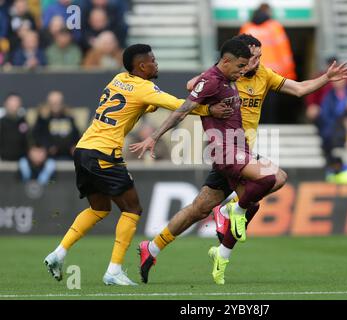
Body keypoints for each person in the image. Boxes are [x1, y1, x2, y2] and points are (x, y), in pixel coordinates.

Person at [133, 36, 347, 286]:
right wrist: (203, 107)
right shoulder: (221, 76)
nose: (255, 62)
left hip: (242, 151)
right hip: (228, 150)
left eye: (259, 57)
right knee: (271, 182)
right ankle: (227, 219)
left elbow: (300, 89)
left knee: (200, 208)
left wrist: (326, 78)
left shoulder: (263, 76)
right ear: (237, 58)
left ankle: (153, 247)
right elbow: (191, 91)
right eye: (250, 58)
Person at [43, 44, 231, 286]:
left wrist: (151, 103)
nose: (156, 63)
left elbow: (139, 103)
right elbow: (178, 105)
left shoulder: (119, 78)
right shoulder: (144, 88)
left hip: (83, 150)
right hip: (104, 153)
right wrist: (209, 109)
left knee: (100, 209)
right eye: (153, 60)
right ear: (142, 66)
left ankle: (58, 254)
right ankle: (114, 270)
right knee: (133, 209)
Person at [32, 90, 80, 160]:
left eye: (58, 102)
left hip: (68, 156)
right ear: (48, 103)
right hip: (48, 158)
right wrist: (47, 147)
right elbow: (37, 136)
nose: (56, 104)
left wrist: (74, 146)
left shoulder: (69, 117)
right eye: (53, 102)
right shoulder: (43, 119)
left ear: (62, 103)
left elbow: (76, 135)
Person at [0, 92, 29, 161]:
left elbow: (28, 141)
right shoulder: (1, 122)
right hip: (3, 160)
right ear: (5, 104)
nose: (14, 105)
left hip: (22, 161)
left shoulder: (24, 122)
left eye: (16, 102)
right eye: (11, 103)